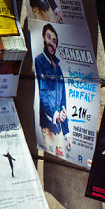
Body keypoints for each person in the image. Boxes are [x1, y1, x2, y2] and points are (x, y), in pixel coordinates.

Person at [34, 23, 69, 156]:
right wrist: (55, 115)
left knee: (61, 158)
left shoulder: (58, 67)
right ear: (43, 38)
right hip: (48, 126)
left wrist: (67, 132)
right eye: (49, 38)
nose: (51, 43)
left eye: (54, 41)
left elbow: (63, 99)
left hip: (59, 128)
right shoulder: (39, 61)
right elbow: (42, 93)